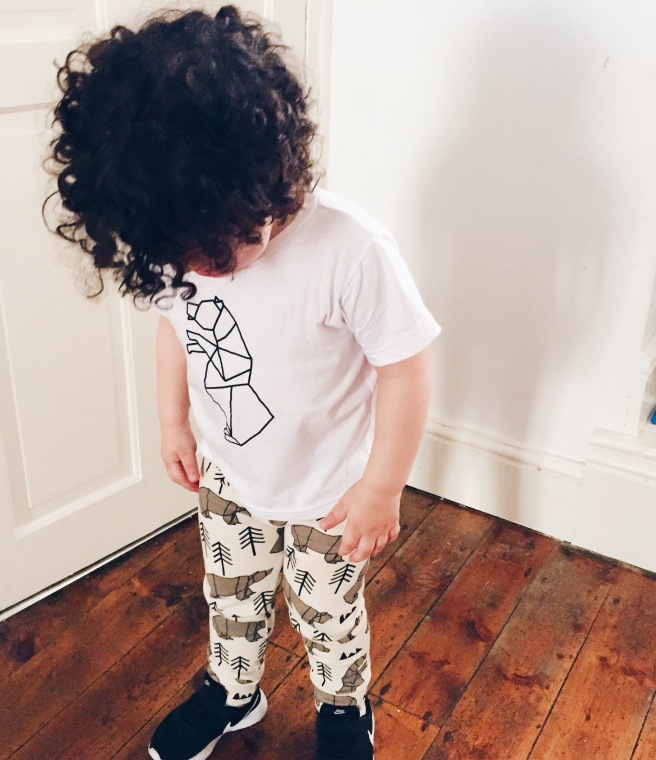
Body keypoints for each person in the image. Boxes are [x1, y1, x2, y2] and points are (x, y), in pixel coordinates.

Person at [43, 6, 440, 760]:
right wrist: (171, 421)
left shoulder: (349, 249)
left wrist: (382, 487)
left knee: (327, 613)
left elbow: (405, 365)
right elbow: (175, 328)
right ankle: (234, 689)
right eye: (186, 254)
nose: (207, 268)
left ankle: (343, 708)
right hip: (230, 474)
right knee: (231, 598)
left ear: (273, 177)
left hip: (333, 489)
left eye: (230, 243)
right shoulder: (177, 243)